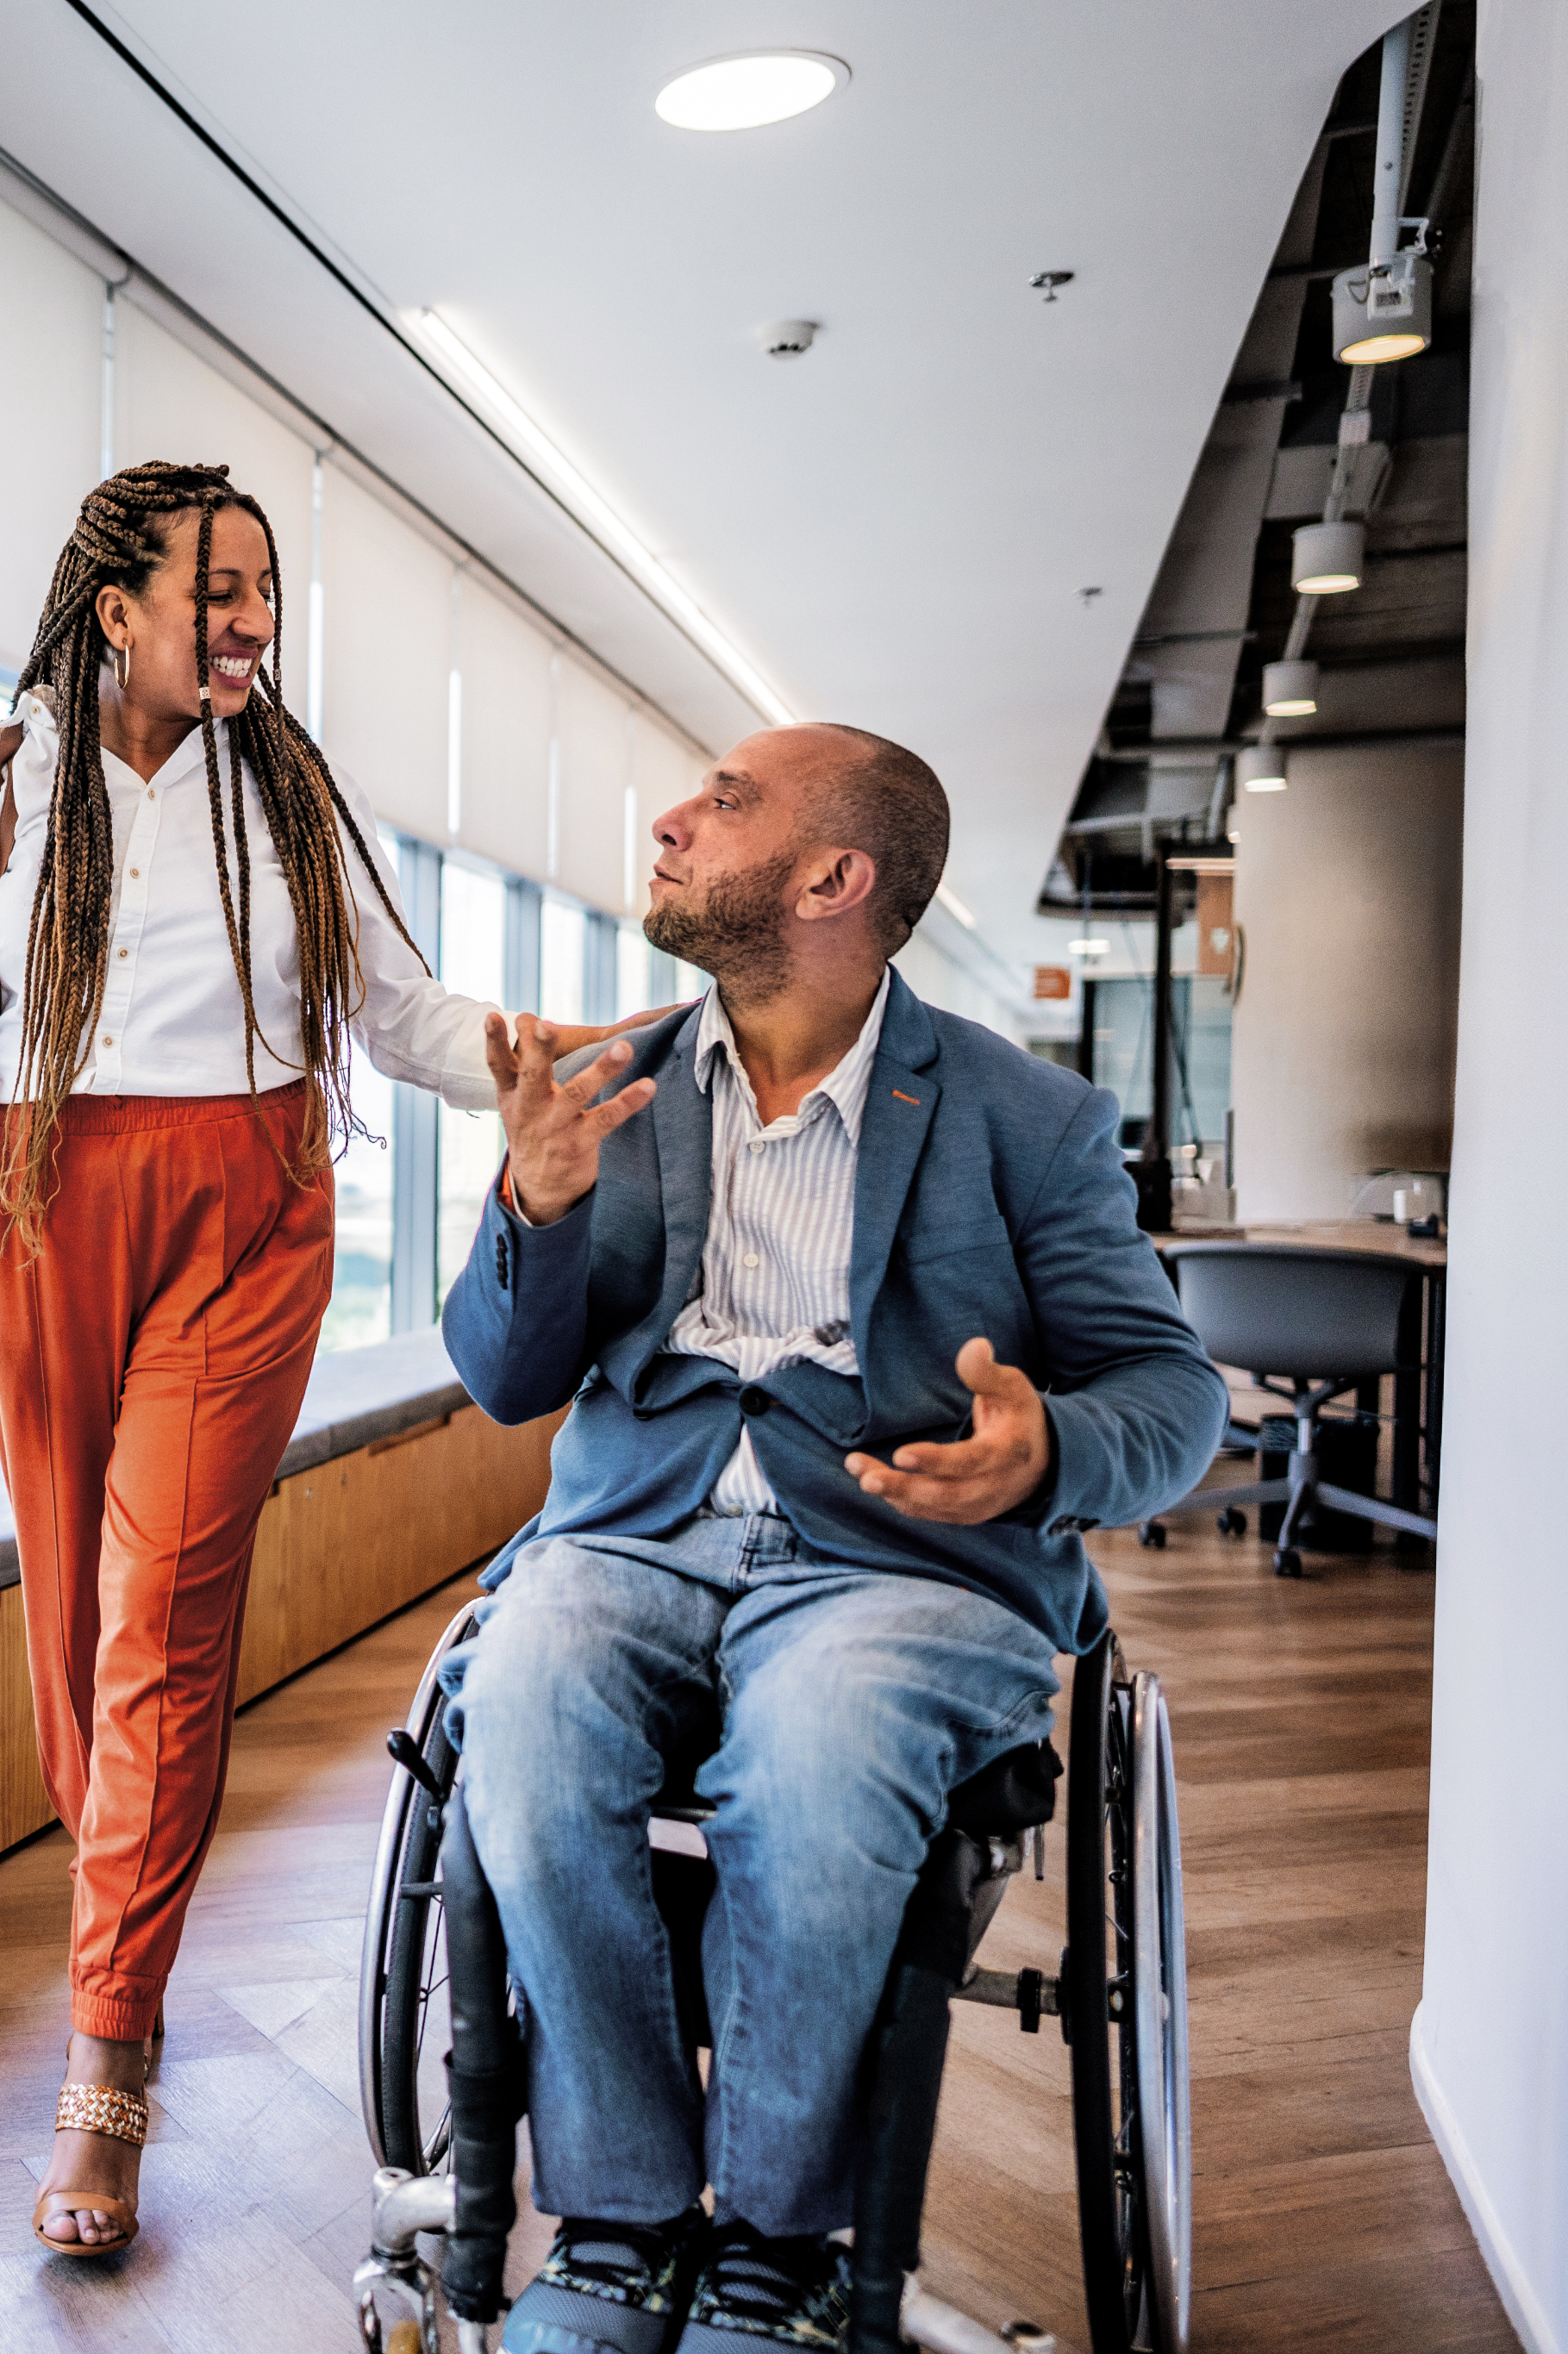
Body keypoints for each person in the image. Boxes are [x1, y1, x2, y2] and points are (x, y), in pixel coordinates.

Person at [0, 460, 641, 2257]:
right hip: (42, 1192)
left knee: (164, 1626)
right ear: (110, 605)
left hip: (250, 1205)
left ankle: (104, 2065)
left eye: (264, 591)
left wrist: (566, 1052)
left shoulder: (286, 787)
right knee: (75, 1638)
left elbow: (395, 1009)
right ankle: (118, 1880)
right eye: (215, 588)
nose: (248, 620)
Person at [437, 723, 1228, 2351]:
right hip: (630, 1542)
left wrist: (1044, 1452)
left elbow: (1173, 1393)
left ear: (831, 879)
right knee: (518, 1702)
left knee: (815, 1751)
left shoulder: (1029, 1120)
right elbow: (509, 1382)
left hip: (896, 1564)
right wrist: (533, 1212)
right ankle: (621, 2227)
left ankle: (779, 2250)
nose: (668, 820)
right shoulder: (613, 1089)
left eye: (726, 803)